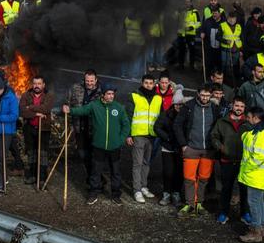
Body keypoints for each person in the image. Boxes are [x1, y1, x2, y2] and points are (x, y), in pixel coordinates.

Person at [63, 85, 131, 205]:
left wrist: (120, 140)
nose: (111, 96)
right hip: (99, 146)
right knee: (96, 171)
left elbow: (126, 125)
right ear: (103, 95)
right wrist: (70, 110)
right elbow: (82, 110)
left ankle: (116, 195)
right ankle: (93, 193)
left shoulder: (118, 107)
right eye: (108, 94)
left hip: (114, 147)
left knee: (115, 172)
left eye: (112, 94)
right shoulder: (95, 105)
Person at [174, 86, 216, 215]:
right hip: (191, 148)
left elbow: (219, 127)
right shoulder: (189, 106)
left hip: (208, 150)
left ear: (211, 95)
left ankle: (199, 203)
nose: (205, 98)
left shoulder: (215, 108)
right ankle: (189, 203)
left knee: (204, 178)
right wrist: (183, 144)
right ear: (198, 93)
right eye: (203, 95)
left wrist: (215, 144)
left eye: (207, 95)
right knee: (189, 178)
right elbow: (177, 125)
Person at [239, 105, 264, 243]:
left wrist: (247, 169)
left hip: (256, 174)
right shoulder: (261, 131)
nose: (247, 119)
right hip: (260, 174)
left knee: (254, 202)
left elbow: (259, 157)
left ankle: (255, 231)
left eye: (249, 117)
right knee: (259, 201)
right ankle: (262, 228)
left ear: (256, 118)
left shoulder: (263, 134)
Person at [211, 98, 250, 224]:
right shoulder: (222, 121)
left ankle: (245, 213)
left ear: (244, 108)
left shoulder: (248, 123)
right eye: (237, 105)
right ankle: (224, 213)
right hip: (226, 160)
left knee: (244, 189)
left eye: (242, 106)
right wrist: (221, 147)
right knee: (226, 188)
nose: (239, 108)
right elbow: (214, 136)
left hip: (243, 162)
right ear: (232, 106)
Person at [127, 74, 162, 203]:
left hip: (151, 136)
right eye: (146, 83)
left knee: (147, 163)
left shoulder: (158, 98)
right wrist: (128, 134)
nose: (148, 85)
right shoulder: (134, 96)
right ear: (142, 83)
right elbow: (128, 116)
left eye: (150, 83)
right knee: (137, 163)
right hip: (138, 134)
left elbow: (160, 117)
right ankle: (137, 190)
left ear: (154, 84)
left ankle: (143, 186)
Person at [67, 69, 103, 191]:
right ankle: (96, 178)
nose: (89, 83)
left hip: (95, 129)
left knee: (94, 156)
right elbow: (68, 102)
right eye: (87, 81)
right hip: (79, 127)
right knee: (83, 154)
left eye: (91, 81)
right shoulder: (76, 88)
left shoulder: (102, 91)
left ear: (96, 80)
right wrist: (65, 107)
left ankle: (94, 181)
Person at [19, 75, 56, 185]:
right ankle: (32, 175)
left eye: (39, 84)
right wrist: (36, 114)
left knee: (42, 153)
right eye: (35, 83)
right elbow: (22, 111)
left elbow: (46, 108)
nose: (36, 86)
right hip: (29, 128)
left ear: (43, 85)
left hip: (44, 128)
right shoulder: (26, 95)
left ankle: (42, 177)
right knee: (31, 152)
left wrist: (30, 107)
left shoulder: (49, 95)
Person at [0, 75, 20, 192]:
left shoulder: (11, 98)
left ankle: (1, 182)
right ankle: (4, 176)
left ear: (3, 88)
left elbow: (14, 116)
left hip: (6, 131)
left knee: (2, 155)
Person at [155, 88, 186, 206]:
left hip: (181, 148)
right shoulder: (166, 114)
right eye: (177, 104)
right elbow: (157, 127)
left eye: (181, 104)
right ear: (173, 104)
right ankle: (166, 194)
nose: (179, 106)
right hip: (168, 147)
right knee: (168, 172)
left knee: (179, 172)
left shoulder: (186, 115)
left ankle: (176, 193)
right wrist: (167, 137)